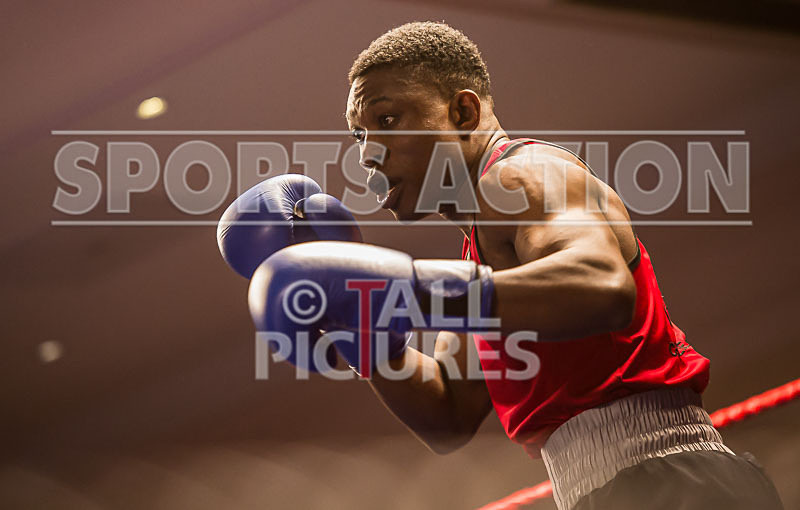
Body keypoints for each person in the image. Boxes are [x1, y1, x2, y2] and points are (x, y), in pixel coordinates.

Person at [236, 22, 784, 510]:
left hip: (670, 479)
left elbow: (602, 285)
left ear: (463, 111)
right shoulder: (483, 253)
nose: (367, 153)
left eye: (387, 118)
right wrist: (355, 321)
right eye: (359, 135)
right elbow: (449, 412)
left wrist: (405, 287)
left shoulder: (523, 175)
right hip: (615, 489)